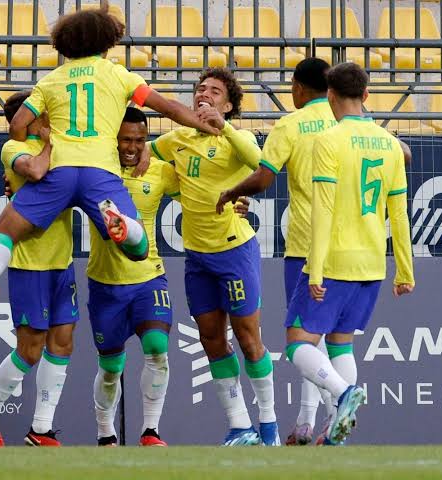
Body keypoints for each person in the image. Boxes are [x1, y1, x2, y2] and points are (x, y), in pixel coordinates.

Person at [0, 5, 219, 320]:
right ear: (106, 40)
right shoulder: (117, 74)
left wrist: (38, 143)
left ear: (66, 42)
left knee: (4, 230)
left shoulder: (50, 81)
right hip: (99, 172)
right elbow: (167, 107)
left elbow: (17, 124)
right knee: (138, 248)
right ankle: (122, 224)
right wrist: (203, 124)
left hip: (58, 171)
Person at [91, 108, 251, 447]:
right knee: (110, 367)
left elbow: (199, 198)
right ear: (113, 141)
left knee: (157, 349)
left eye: (138, 140)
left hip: (149, 277)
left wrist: (237, 200)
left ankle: (150, 431)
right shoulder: (94, 173)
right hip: (105, 281)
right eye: (125, 140)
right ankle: (106, 433)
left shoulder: (162, 171)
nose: (132, 147)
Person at [284, 62, 415, 445]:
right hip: (372, 263)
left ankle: (343, 395)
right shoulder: (391, 144)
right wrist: (404, 270)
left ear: (330, 96)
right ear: (367, 96)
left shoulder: (328, 140)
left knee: (297, 343)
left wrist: (317, 268)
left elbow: (322, 210)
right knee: (341, 342)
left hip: (336, 259)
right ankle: (337, 430)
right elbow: (399, 214)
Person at [148, 68, 279, 446]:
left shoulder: (237, 138)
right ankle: (241, 426)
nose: (204, 94)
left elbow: (260, 162)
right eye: (200, 89)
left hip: (235, 251)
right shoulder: (177, 139)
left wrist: (224, 127)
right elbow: (143, 156)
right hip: (197, 258)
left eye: (215, 91)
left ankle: (269, 426)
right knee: (210, 339)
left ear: (229, 104)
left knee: (248, 338)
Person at [216, 58, 337, 445]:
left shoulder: (291, 124)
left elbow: (264, 177)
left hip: (305, 243)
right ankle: (307, 422)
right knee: (333, 339)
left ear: (299, 89)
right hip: (349, 243)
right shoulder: (348, 121)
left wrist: (235, 190)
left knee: (304, 337)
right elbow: (399, 154)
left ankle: (331, 409)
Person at [0, 91, 76, 447]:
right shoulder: (12, 149)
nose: (47, 115)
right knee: (29, 351)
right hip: (29, 263)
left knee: (62, 344)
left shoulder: (58, 144)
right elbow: (35, 171)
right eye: (39, 111)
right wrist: (50, 146)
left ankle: (41, 429)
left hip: (62, 262)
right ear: (24, 119)